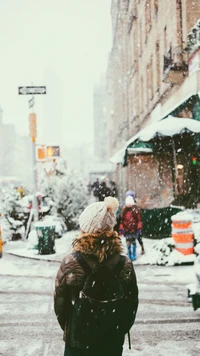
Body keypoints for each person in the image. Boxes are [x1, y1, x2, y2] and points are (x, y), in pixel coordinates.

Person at [54, 196, 138, 356]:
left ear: (84, 229)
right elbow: (131, 306)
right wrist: (117, 330)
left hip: (78, 342)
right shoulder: (124, 263)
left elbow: (60, 306)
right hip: (112, 342)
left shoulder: (70, 262)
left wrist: (74, 327)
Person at [120, 195, 143, 261]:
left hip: (134, 230)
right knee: (128, 243)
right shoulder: (124, 211)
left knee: (133, 242)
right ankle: (130, 254)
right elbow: (122, 221)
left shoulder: (135, 210)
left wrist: (139, 228)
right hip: (127, 230)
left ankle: (134, 254)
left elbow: (139, 220)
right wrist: (122, 229)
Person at [124, 190, 145, 255]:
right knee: (129, 240)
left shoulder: (135, 207)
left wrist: (139, 227)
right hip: (128, 227)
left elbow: (139, 219)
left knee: (138, 238)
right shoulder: (125, 207)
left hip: (135, 227)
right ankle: (130, 250)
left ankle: (141, 248)